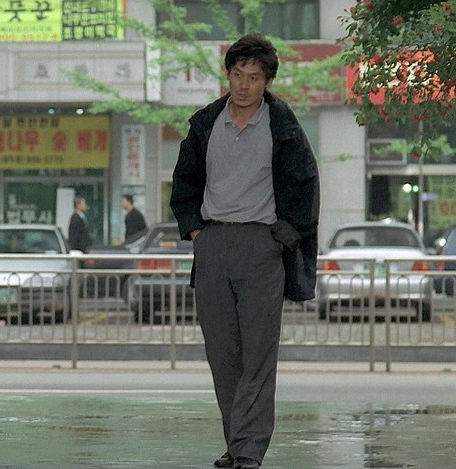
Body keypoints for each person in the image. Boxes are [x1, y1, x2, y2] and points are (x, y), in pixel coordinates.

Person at [169, 34, 319, 469]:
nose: (244, 85)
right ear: (228, 74)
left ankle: (249, 450)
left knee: (258, 355)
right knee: (223, 355)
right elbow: (184, 182)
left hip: (261, 245)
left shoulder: (282, 126)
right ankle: (236, 442)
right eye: (237, 74)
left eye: (254, 77)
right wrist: (195, 232)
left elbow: (305, 185)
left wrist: (282, 237)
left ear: (267, 81)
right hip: (212, 243)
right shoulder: (206, 123)